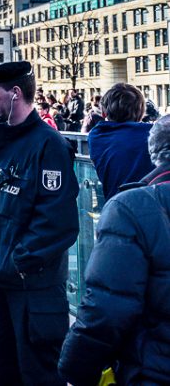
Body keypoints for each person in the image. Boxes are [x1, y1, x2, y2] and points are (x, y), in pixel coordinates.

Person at [0, 62, 78, 385]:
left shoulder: (48, 144)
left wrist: (18, 260)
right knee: (0, 369)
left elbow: (58, 221)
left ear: (15, 94)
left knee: (37, 374)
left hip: (31, 288)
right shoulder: (0, 141)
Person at [58, 115, 170, 385]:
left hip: (153, 369)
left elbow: (107, 308)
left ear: (155, 152)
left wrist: (75, 369)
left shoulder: (132, 207)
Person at [87, 83, 154, 202]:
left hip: (115, 208)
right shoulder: (153, 134)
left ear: (103, 112)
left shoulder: (97, 136)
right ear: (142, 112)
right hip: (154, 208)